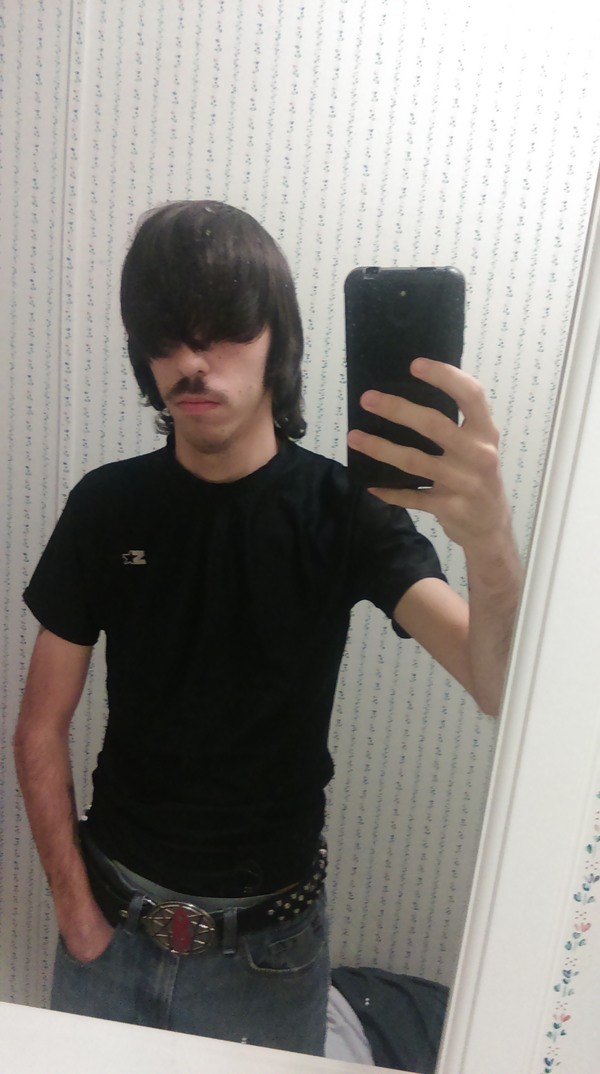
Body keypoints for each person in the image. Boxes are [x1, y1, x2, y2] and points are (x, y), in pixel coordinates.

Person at [14, 200, 522, 1056]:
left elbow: (497, 684)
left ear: (277, 340)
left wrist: (490, 540)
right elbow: (38, 727)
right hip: (109, 929)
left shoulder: (345, 509)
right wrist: (74, 909)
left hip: (269, 956)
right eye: (167, 338)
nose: (192, 362)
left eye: (225, 330)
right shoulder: (106, 507)